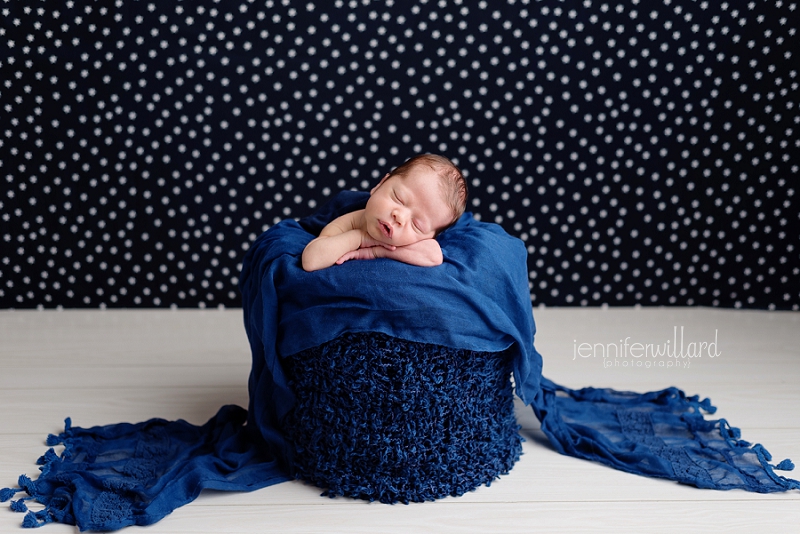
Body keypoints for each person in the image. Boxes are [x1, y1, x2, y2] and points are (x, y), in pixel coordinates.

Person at [301, 154, 468, 272]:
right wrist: (361, 238)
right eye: (399, 198)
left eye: (417, 225)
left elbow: (434, 256)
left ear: (429, 237)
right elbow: (311, 260)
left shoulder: (416, 243)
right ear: (380, 185)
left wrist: (377, 251)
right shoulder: (351, 221)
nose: (400, 217)